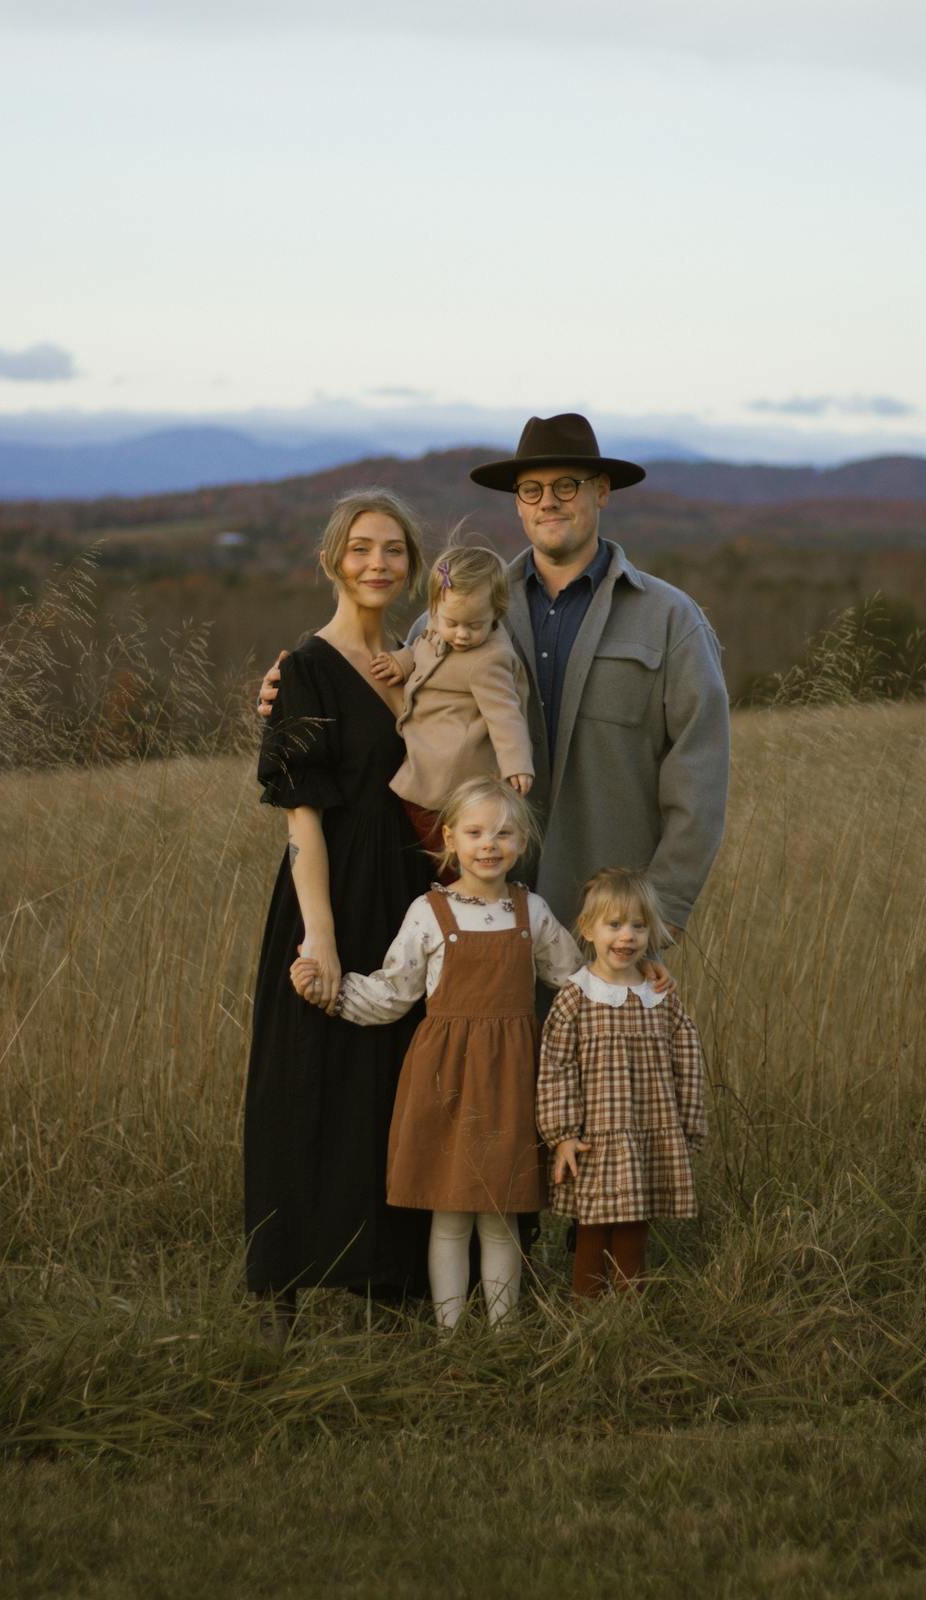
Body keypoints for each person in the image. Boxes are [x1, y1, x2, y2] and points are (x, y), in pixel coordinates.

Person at [261, 412, 730, 941]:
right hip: (477, 920)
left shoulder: (669, 621)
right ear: (517, 503)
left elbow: (700, 776)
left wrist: (662, 909)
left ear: (602, 491)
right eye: (531, 489)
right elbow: (378, 705)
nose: (547, 501)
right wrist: (295, 689)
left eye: (566, 486)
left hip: (608, 929)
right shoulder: (452, 616)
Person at [292, 777, 581, 1329]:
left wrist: (626, 983)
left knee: (500, 1216)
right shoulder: (429, 912)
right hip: (445, 1081)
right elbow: (393, 992)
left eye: (503, 832)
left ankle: (503, 1336)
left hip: (513, 1083)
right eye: (474, 832)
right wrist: (329, 993)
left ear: (522, 841)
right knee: (448, 1216)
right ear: (449, 838)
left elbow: (572, 982)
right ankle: (449, 1335)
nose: (489, 844)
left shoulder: (531, 912)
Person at [245, 487, 433, 1328]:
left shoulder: (422, 662)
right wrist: (318, 935)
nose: (377, 564)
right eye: (361, 548)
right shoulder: (305, 668)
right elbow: (302, 819)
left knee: (395, 1084)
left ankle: (388, 1282)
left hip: (412, 896)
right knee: (308, 1083)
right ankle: (286, 1284)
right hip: (329, 893)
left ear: (412, 565)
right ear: (332, 559)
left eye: (393, 550)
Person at [536, 867, 707, 1297]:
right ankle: (587, 1315)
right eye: (614, 925)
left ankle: (629, 1316)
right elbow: (556, 1069)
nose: (626, 936)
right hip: (595, 1138)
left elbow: (688, 1058)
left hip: (648, 1133)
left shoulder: (659, 996)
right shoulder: (576, 996)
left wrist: (687, 1125)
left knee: (634, 1227)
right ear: (588, 930)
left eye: (638, 925)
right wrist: (562, 1135)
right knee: (594, 1228)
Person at [369, 541, 533, 867]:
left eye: (474, 626)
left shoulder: (489, 659)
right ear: (434, 608)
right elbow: (423, 648)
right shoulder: (438, 624)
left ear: (495, 614)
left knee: (443, 845)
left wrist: (517, 763)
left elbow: (506, 715)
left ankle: (452, 892)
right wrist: (402, 662)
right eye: (452, 623)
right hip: (425, 751)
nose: (460, 635)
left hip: (451, 769)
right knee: (407, 831)